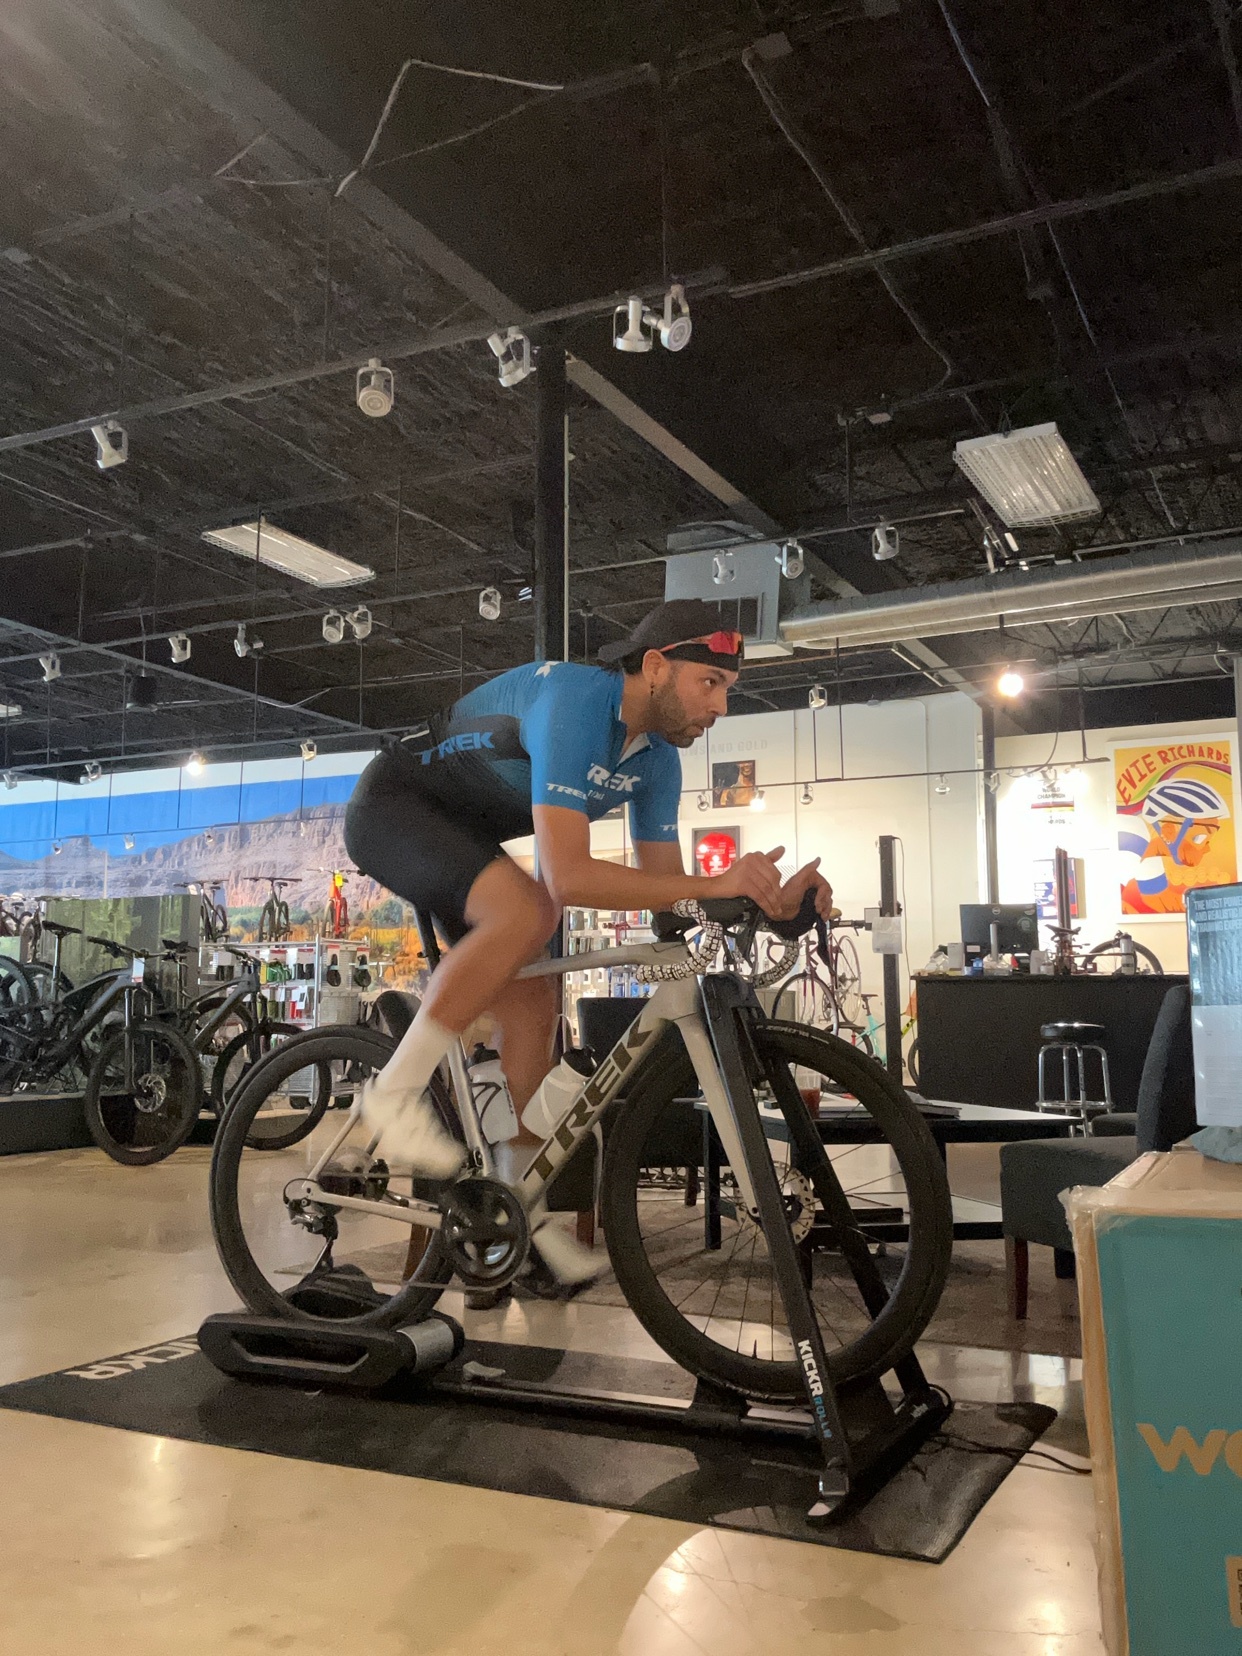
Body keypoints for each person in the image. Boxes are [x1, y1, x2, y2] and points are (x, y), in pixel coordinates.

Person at [343, 597, 834, 1283]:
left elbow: (669, 899)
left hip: (464, 837)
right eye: (710, 682)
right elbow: (568, 877)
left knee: (535, 1004)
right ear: (656, 666)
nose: (721, 706)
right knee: (532, 913)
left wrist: (767, 903)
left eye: (728, 689)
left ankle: (519, 1208)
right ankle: (392, 1095)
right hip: (394, 807)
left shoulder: (657, 762)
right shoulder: (576, 702)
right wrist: (717, 882)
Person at [1119, 775, 1230, 914]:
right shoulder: (1128, 837)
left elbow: (1159, 898)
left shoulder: (1148, 852)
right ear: (1169, 831)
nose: (1207, 849)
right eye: (1200, 838)